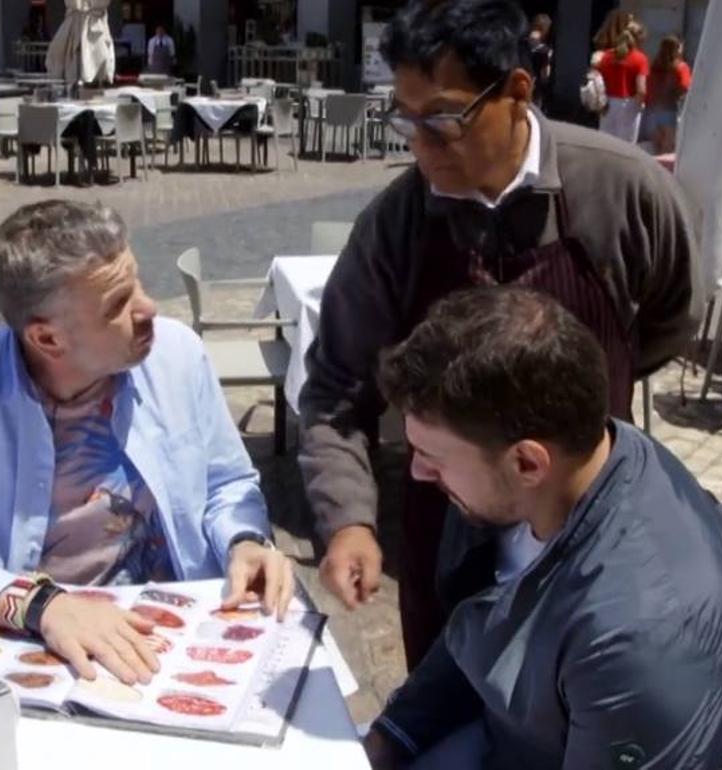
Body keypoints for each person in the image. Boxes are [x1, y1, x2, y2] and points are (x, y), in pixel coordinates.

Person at [299, 0, 701, 668]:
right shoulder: (397, 225)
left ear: (517, 91)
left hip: (594, 517)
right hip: (445, 523)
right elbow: (338, 387)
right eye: (407, 120)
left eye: (446, 119)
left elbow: (667, 324)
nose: (422, 145)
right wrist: (347, 518)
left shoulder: (622, 190)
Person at [0, 201, 296, 685]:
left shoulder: (177, 353)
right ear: (47, 339)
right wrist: (43, 606)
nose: (149, 308)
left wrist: (243, 540)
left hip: (185, 631)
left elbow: (227, 482)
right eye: (118, 303)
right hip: (51, 647)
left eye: (137, 282)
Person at [362, 287, 722, 769]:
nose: (417, 473)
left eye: (433, 458)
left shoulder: (638, 642)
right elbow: (483, 628)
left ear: (528, 462)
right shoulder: (567, 464)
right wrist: (391, 738)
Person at [594, 12, 649, 143]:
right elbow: (641, 90)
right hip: (628, 103)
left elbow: (597, 80)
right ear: (638, 39)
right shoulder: (640, 59)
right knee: (626, 147)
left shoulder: (606, 56)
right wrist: (639, 104)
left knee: (605, 144)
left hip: (606, 104)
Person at [641, 34, 692, 155]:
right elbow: (685, 86)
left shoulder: (654, 65)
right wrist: (676, 94)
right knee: (667, 150)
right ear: (678, 49)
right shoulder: (681, 67)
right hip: (668, 111)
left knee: (654, 150)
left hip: (651, 111)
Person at [525, 13, 552, 110]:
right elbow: (545, 75)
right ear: (545, 29)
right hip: (534, 89)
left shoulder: (520, 43)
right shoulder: (545, 50)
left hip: (518, 85)